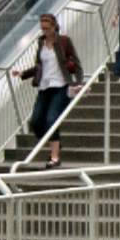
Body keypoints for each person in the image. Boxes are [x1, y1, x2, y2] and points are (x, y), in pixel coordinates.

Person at [14, 13, 80, 168]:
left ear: (54, 27)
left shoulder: (64, 41)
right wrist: (23, 73)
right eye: (42, 29)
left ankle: (55, 157)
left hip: (60, 86)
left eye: (47, 28)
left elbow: (76, 63)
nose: (44, 31)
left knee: (51, 120)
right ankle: (55, 143)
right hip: (44, 87)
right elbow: (40, 66)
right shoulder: (41, 42)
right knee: (36, 122)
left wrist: (79, 82)